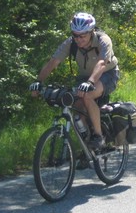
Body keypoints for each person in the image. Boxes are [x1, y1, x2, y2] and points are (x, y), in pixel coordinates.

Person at [29, 12, 120, 150]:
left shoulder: (103, 40)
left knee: (88, 95)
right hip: (84, 78)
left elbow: (102, 63)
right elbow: (52, 62)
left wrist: (90, 83)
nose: (78, 39)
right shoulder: (70, 43)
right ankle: (87, 146)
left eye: (82, 35)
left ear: (91, 32)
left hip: (107, 74)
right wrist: (39, 81)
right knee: (76, 105)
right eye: (75, 35)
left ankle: (99, 136)